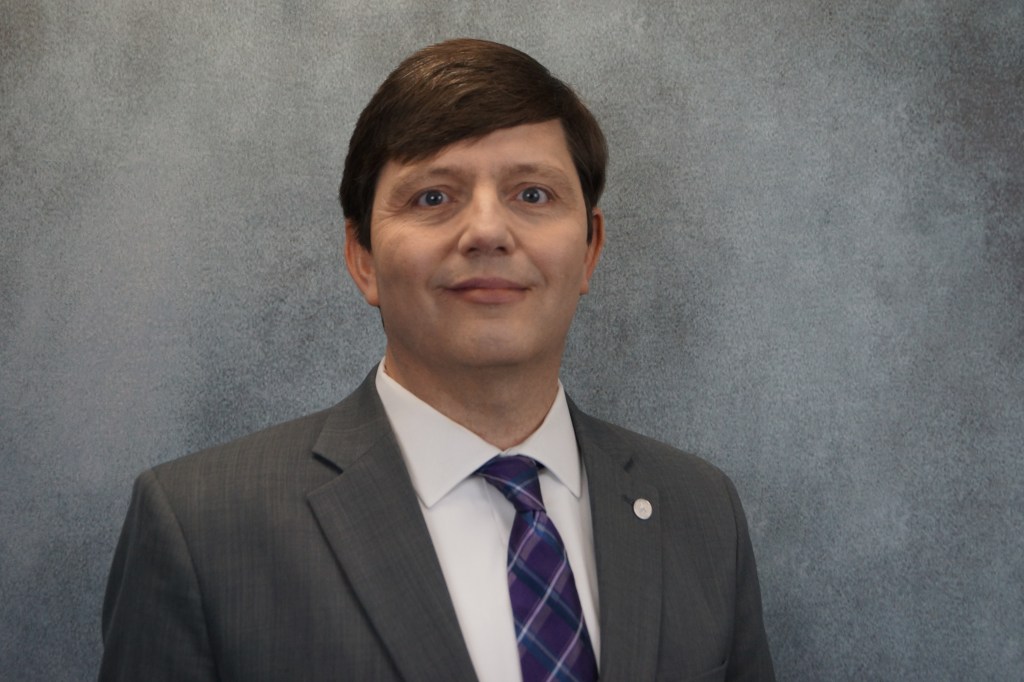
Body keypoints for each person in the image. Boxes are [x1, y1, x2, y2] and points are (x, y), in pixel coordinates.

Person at [99, 38, 775, 681]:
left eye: (532, 194)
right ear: (362, 257)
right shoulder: (199, 527)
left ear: (591, 250)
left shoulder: (700, 509)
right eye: (433, 197)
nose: (487, 231)